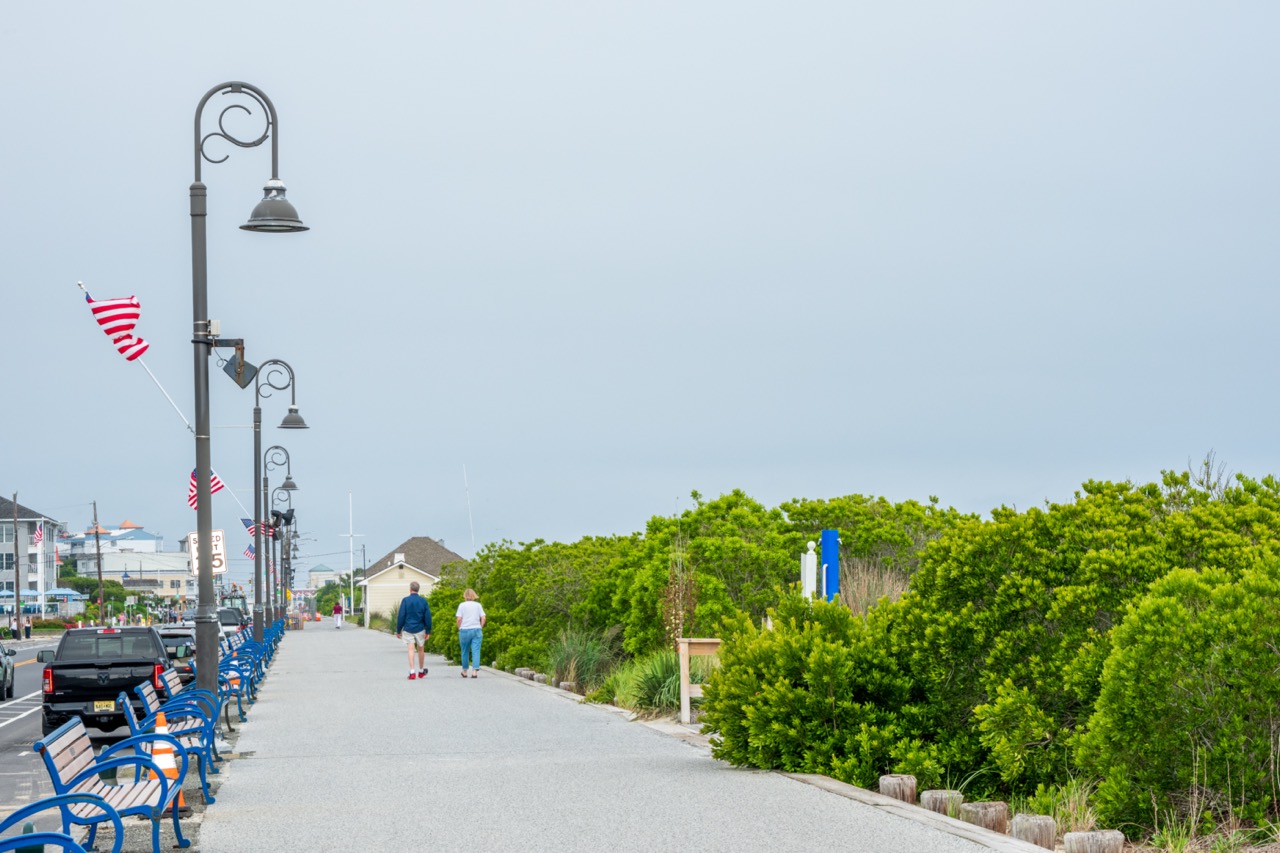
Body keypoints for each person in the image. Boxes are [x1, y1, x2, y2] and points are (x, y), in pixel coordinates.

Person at [395, 581, 432, 680]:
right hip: (420, 628)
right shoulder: (423, 601)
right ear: (418, 589)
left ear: (410, 589)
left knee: (410, 649)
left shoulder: (405, 601)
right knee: (421, 649)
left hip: (408, 628)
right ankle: (421, 670)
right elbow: (427, 617)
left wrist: (398, 630)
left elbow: (401, 616)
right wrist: (428, 630)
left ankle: (412, 672)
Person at [455, 588, 486, 678]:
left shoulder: (462, 605)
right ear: (474, 596)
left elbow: (459, 619)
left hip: (464, 629)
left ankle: (465, 671)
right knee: (476, 651)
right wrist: (480, 626)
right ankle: (474, 671)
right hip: (476, 629)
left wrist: (459, 627)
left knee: (465, 651)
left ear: (465, 596)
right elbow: (483, 618)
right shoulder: (478, 605)